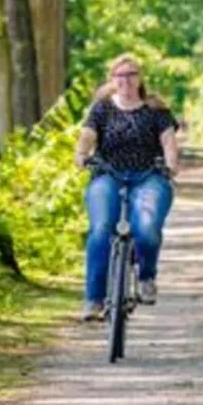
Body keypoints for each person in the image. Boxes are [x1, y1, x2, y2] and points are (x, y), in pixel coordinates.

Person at [74, 54, 180, 322]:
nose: (126, 80)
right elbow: (88, 135)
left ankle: (146, 276)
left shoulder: (157, 110)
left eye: (131, 74)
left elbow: (168, 142)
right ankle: (94, 299)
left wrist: (171, 165)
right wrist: (81, 154)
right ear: (113, 79)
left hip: (149, 176)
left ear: (140, 79)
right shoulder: (102, 109)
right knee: (101, 230)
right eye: (120, 75)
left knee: (145, 228)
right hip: (107, 175)